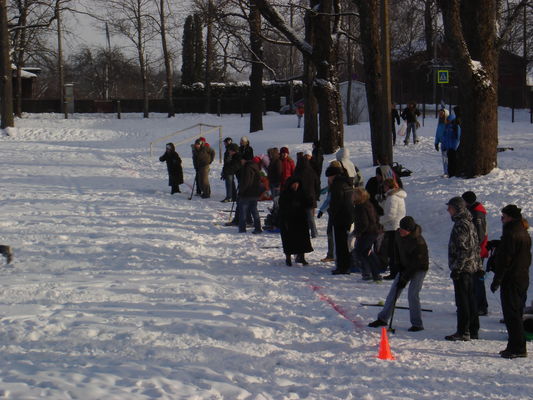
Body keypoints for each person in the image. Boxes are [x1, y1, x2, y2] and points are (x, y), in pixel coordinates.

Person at [368, 216, 429, 331]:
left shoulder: (419, 242)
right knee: (394, 291)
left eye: (404, 229)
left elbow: (415, 264)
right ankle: (383, 318)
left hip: (419, 268)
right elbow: (396, 251)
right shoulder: (398, 234)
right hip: (405, 266)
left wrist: (404, 279)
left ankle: (417, 324)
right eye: (400, 228)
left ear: (410, 230)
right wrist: (398, 265)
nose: (401, 231)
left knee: (413, 294)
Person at [490, 205, 531, 359]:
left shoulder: (511, 233)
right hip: (522, 277)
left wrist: (497, 279)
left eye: (503, 217)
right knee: (517, 312)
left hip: (511, 279)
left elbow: (506, 260)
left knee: (511, 314)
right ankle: (514, 345)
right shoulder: (523, 232)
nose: (502, 219)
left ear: (510, 218)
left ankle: (518, 348)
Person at [445, 196, 482, 341]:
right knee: (471, 299)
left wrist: (457, 268)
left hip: (464, 268)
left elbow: (464, 249)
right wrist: (478, 265)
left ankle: (463, 331)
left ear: (457, 209)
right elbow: (475, 246)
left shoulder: (461, 224)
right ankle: (473, 329)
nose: (448, 210)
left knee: (463, 301)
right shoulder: (469, 222)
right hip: (471, 267)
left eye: (451, 208)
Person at [461, 191, 489, 316]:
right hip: (475, 251)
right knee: (473, 280)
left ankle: (481, 306)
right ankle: (476, 304)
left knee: (477, 280)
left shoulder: (477, 214)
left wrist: (473, 249)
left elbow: (480, 235)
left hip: (478, 252)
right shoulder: (474, 211)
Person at [279, 176, 313, 266]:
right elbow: (282, 207)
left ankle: (301, 257)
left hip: (300, 219)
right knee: (289, 241)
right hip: (288, 219)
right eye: (294, 184)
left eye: (297, 184)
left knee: (302, 240)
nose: (296, 185)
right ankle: (288, 258)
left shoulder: (302, 193)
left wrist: (310, 200)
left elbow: (308, 204)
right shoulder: (285, 194)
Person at [327, 164, 354, 275]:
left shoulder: (336, 185)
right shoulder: (347, 183)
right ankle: (347, 265)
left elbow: (336, 203)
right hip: (349, 216)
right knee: (346, 243)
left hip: (340, 218)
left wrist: (331, 213)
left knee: (340, 244)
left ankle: (342, 267)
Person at [379, 178, 407, 280]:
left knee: (392, 252)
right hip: (396, 225)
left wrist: (380, 221)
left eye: (384, 186)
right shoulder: (395, 197)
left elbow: (390, 214)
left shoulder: (392, 198)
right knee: (395, 250)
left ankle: (394, 273)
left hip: (393, 226)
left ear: (388, 186)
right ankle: (396, 271)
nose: (383, 188)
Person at [353, 188, 382, 281]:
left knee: (361, 252)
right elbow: (376, 218)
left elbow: (364, 222)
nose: (352, 197)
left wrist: (358, 232)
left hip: (367, 233)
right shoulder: (368, 204)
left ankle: (368, 273)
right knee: (366, 252)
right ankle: (374, 273)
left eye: (354, 195)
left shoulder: (360, 207)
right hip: (373, 232)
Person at [294, 154, 320, 239]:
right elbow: (317, 184)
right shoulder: (312, 172)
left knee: (301, 217)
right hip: (310, 197)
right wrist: (316, 194)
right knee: (310, 217)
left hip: (301, 198)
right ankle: (314, 232)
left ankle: (303, 233)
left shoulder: (298, 172)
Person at [237, 157, 263, 234]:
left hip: (247, 193)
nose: (241, 162)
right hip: (254, 193)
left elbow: (246, 181)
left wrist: (241, 191)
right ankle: (258, 228)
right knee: (254, 210)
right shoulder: (256, 167)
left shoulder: (247, 167)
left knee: (243, 211)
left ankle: (242, 228)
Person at [439, 112, 461, 178]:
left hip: (453, 147)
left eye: (448, 120)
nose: (447, 121)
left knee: (452, 162)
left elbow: (458, 137)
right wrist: (443, 146)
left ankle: (452, 174)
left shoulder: (456, 126)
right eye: (447, 120)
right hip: (448, 147)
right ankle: (448, 173)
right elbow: (444, 138)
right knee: (448, 162)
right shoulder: (446, 127)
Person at [434, 108, 450, 176]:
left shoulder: (448, 124)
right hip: (442, 144)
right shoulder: (440, 123)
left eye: (442, 113)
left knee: (448, 158)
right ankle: (445, 172)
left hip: (448, 143)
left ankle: (449, 171)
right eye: (439, 113)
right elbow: (437, 133)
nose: (440, 115)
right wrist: (436, 142)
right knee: (444, 159)